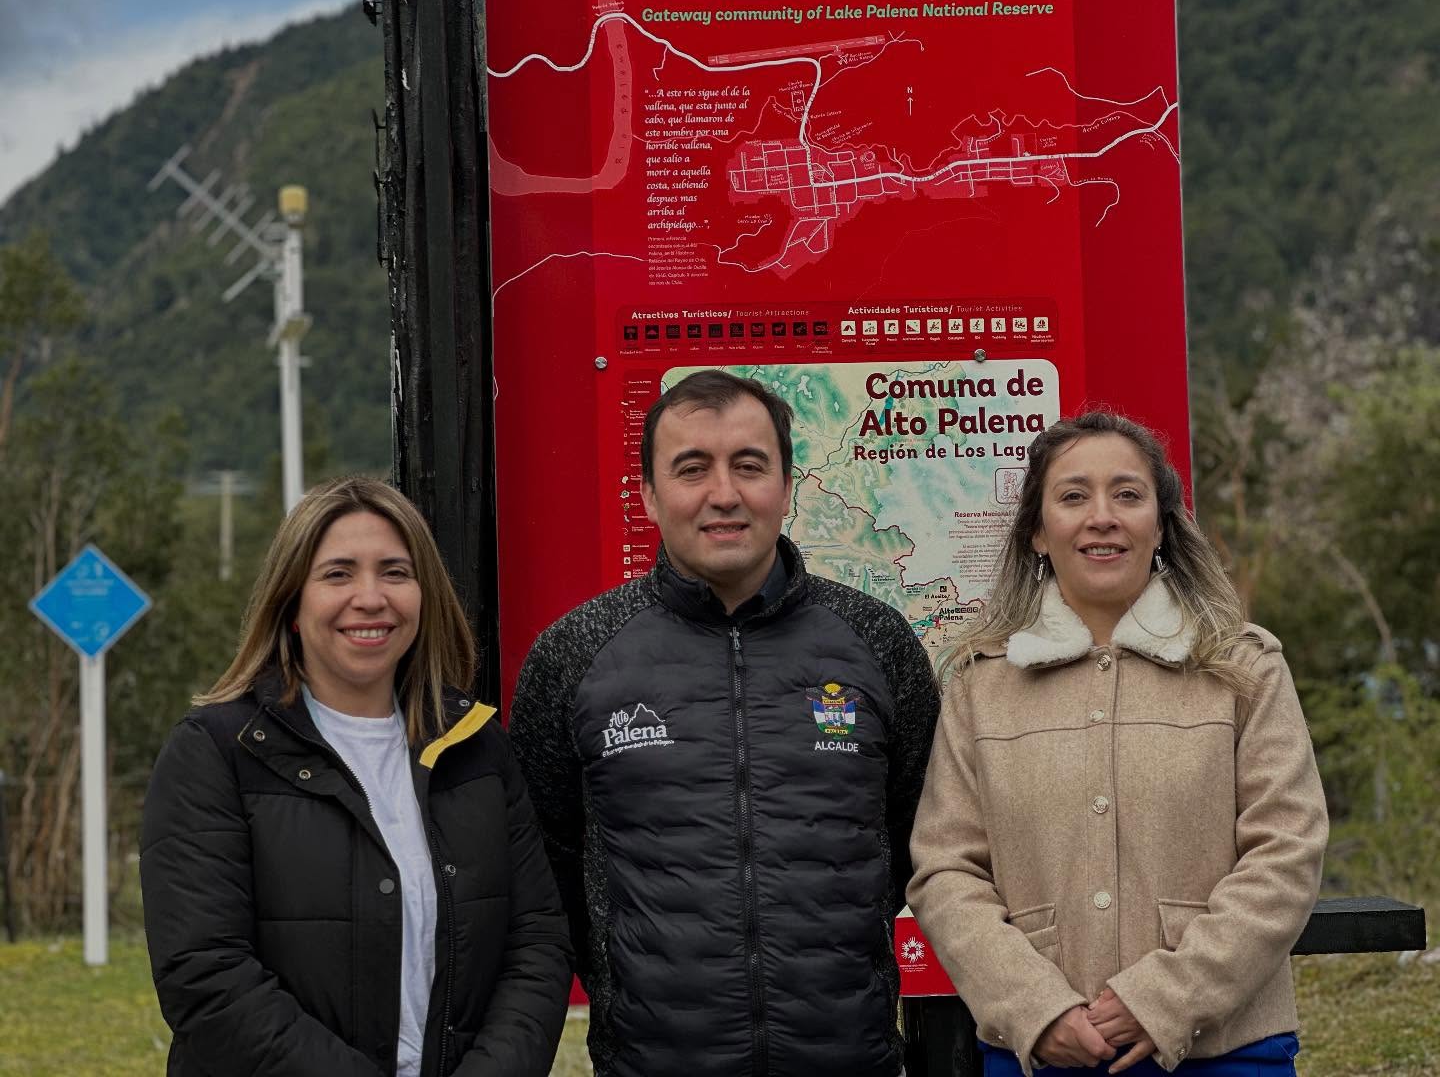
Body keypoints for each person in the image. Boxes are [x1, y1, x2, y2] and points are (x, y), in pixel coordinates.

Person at [510, 369, 941, 1077]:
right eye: (692, 469)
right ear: (649, 495)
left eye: (749, 465)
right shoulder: (575, 653)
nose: (724, 494)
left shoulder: (877, 641)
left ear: (787, 485)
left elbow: (913, 838)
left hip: (847, 1057)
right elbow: (547, 865)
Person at [908, 412, 1328, 1077]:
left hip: (1226, 1049)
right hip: (1041, 1054)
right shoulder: (981, 686)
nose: (1101, 517)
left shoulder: (1244, 669)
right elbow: (945, 869)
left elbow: (1288, 849)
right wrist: (1036, 1008)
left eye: (1128, 495)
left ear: (1160, 525)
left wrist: (1165, 999)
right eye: (1073, 496)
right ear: (1038, 531)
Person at [140, 476, 572, 1077]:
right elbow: (205, 973)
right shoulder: (216, 751)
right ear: (291, 604)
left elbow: (537, 944)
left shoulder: (478, 747)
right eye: (338, 574)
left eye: (395, 572)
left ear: (423, 596)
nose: (370, 598)